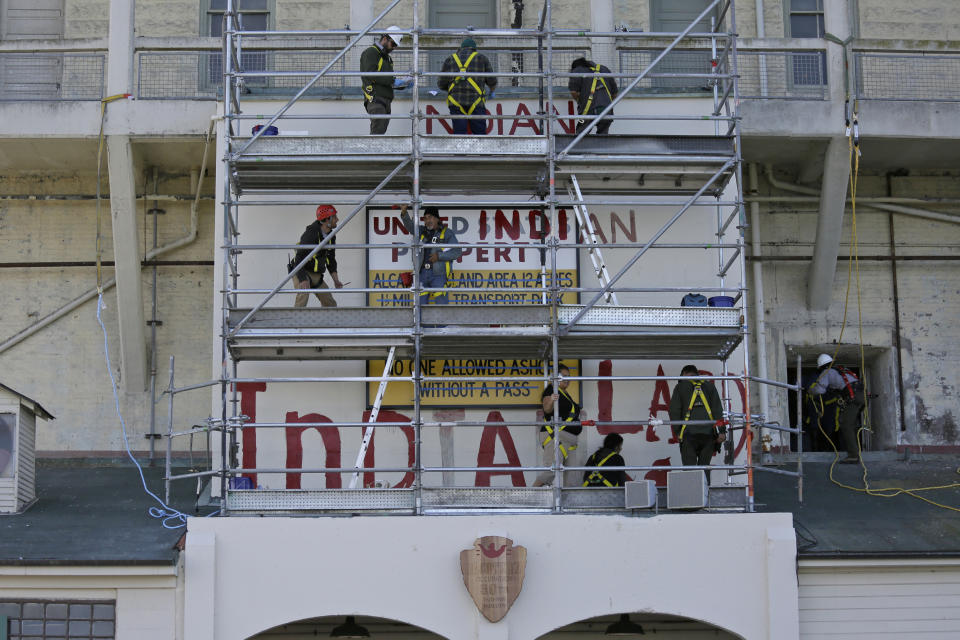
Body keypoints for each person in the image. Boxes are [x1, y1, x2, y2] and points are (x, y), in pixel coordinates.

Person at [668, 364, 727, 482]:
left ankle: (691, 498)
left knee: (690, 471)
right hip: (709, 434)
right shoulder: (709, 386)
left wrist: (678, 432)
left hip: (688, 434)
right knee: (704, 469)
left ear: (684, 374)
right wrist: (721, 432)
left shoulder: (680, 387)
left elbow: (674, 411)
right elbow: (717, 410)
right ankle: (706, 497)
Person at [533, 364, 588, 487]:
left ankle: (569, 502)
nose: (567, 379)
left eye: (568, 376)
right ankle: (531, 495)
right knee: (550, 471)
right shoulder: (551, 390)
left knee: (572, 475)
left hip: (569, 441)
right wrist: (552, 399)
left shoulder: (565, 394)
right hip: (556, 437)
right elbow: (547, 408)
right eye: (563, 376)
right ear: (554, 377)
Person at [399, 205, 462, 306]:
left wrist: (439, 256)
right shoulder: (421, 231)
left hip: (439, 275)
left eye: (431, 217)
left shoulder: (447, 233)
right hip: (422, 273)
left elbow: (457, 251)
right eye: (425, 218)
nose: (428, 220)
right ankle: (422, 323)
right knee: (420, 305)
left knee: (441, 305)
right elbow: (410, 227)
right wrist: (404, 212)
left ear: (437, 219)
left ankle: (441, 322)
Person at [808, 353, 866, 464]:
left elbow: (820, 390)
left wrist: (811, 391)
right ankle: (855, 450)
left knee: (844, 423)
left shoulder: (827, 371)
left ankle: (853, 456)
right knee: (851, 424)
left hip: (853, 397)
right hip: (861, 396)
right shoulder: (842, 370)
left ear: (821, 366)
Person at [438, 38, 497, 135]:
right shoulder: (481, 58)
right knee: (480, 135)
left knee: (460, 135)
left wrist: (452, 88)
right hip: (477, 102)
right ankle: (480, 150)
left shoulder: (450, 59)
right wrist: (492, 90)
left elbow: (441, 84)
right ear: (474, 49)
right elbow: (492, 80)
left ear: (461, 48)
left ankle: (461, 150)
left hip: (456, 102)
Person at [291, 204, 344, 307]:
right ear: (326, 220)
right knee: (303, 295)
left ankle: (328, 322)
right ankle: (295, 321)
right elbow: (299, 257)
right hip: (301, 271)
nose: (337, 220)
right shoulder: (311, 233)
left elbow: (331, 259)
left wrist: (336, 280)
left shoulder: (331, 236)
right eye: (334, 217)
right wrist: (302, 279)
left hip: (316, 275)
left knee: (330, 303)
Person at [360, 26, 406, 135]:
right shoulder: (371, 53)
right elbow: (370, 74)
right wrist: (392, 81)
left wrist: (403, 84)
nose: (393, 48)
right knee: (377, 133)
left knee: (380, 133)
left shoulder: (387, 58)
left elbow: (386, 80)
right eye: (393, 44)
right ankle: (373, 152)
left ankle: (375, 151)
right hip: (376, 99)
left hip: (385, 100)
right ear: (385, 39)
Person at [568, 57, 619, 135]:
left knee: (580, 135)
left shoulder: (577, 71)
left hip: (587, 111)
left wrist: (580, 101)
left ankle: (579, 146)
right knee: (603, 135)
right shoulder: (604, 69)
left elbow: (574, 92)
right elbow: (615, 93)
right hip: (606, 111)